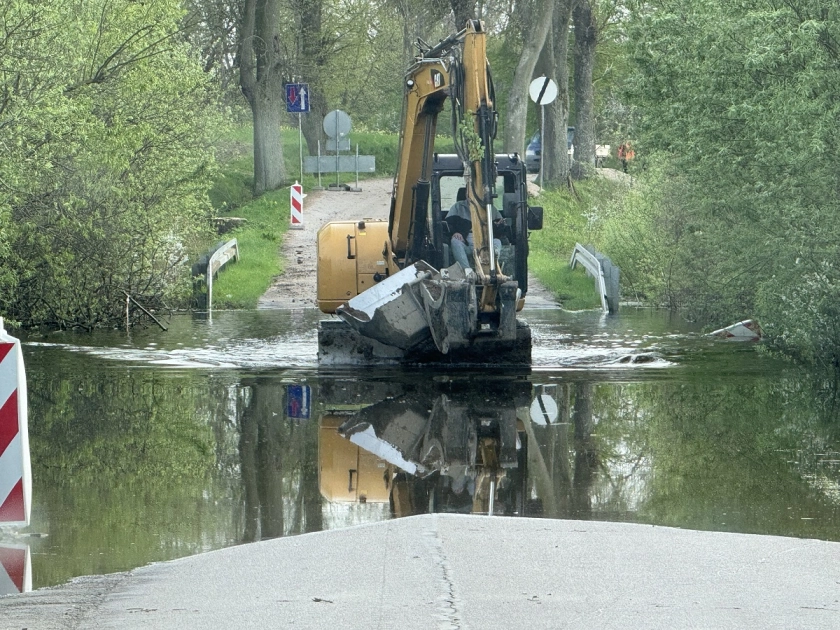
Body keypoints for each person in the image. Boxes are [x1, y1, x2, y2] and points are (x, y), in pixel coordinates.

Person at [445, 187, 503, 275]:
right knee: (455, 241)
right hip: (466, 243)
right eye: (470, 193)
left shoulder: (491, 209)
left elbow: (500, 227)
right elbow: (447, 225)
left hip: (486, 244)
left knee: (497, 242)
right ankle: (468, 272)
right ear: (466, 193)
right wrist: (455, 232)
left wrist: (499, 225)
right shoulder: (457, 207)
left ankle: (492, 266)